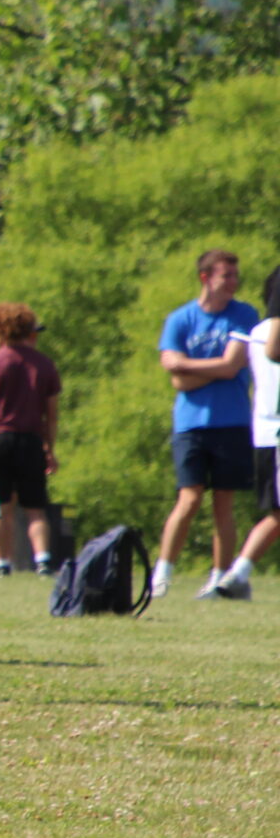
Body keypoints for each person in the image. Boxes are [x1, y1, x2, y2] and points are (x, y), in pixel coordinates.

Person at [150, 249, 258, 600]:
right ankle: (162, 573)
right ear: (205, 278)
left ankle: (218, 578)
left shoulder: (244, 314)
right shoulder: (180, 319)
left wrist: (187, 370)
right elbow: (169, 363)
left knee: (223, 503)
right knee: (189, 498)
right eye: (226, 275)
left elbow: (232, 365)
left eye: (234, 275)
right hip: (190, 424)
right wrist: (194, 370)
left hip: (233, 421)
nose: (233, 282)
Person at [0, 301, 62, 578]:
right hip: (31, 442)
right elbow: (52, 415)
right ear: (30, 332)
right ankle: (43, 560)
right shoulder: (44, 365)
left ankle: (2, 563)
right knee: (35, 508)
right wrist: (50, 448)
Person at [210, 271, 280, 599]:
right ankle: (236, 574)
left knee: (276, 514)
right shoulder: (271, 335)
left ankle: (236, 574)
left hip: (264, 433)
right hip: (276, 432)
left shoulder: (256, 331)